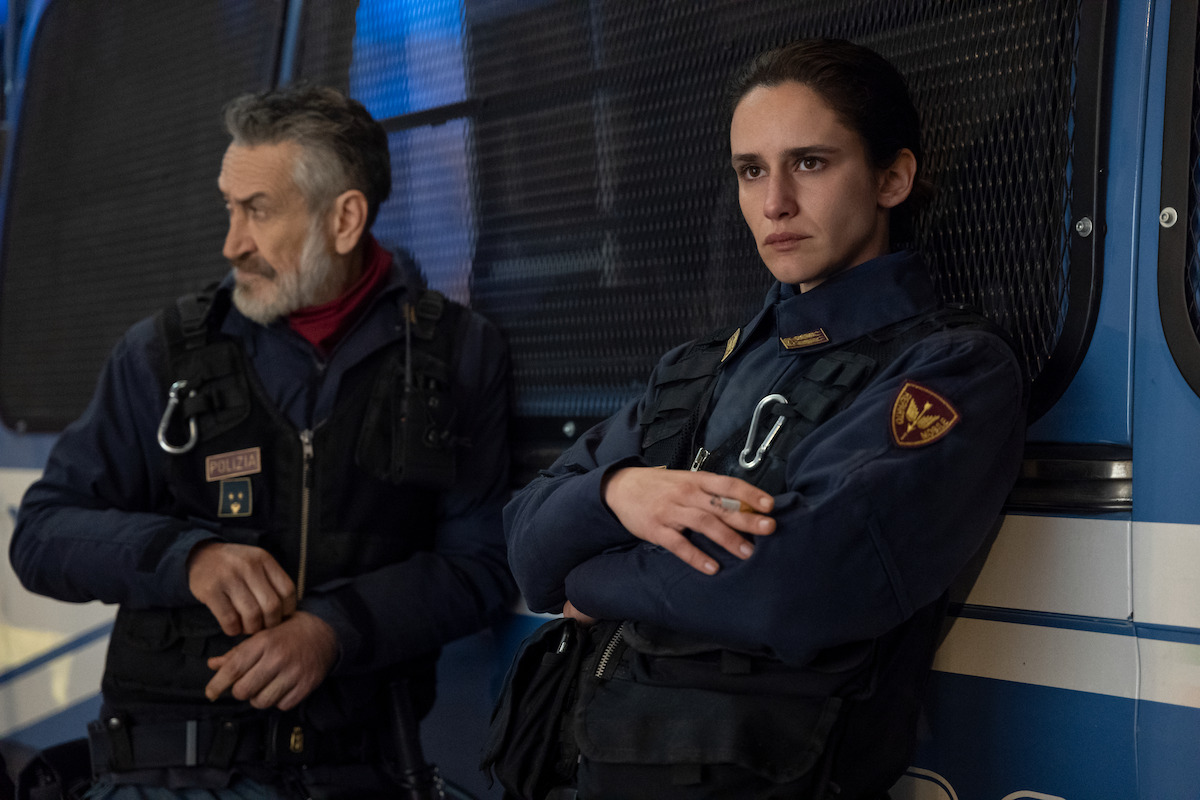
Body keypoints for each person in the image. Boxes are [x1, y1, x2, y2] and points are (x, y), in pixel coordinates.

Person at [503, 39, 1027, 799]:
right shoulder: (701, 368)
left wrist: (591, 578)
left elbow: (799, 582)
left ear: (892, 178)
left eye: (809, 163)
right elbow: (525, 542)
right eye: (752, 171)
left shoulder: (950, 369)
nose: (774, 201)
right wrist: (619, 496)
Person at [10, 85, 515, 799]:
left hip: (358, 767)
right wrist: (189, 559)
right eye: (229, 206)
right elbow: (40, 536)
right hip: (168, 774)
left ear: (345, 220)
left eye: (258, 210)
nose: (232, 243)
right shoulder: (162, 356)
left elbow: (482, 566)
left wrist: (333, 630)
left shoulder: (460, 357)